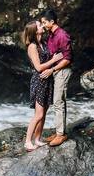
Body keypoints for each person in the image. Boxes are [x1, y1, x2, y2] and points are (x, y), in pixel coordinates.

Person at [22, 20, 63, 152]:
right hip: (39, 81)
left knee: (44, 113)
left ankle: (37, 139)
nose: (42, 26)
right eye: (40, 25)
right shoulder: (32, 46)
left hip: (47, 80)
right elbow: (38, 67)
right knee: (38, 114)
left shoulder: (44, 43)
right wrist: (54, 60)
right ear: (34, 30)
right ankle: (28, 142)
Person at [38, 9, 72, 146]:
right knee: (57, 101)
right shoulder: (51, 35)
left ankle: (61, 134)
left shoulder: (62, 35)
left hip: (62, 71)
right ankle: (59, 131)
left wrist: (52, 69)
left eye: (44, 22)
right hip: (56, 71)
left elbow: (68, 59)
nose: (43, 25)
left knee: (58, 101)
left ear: (52, 22)